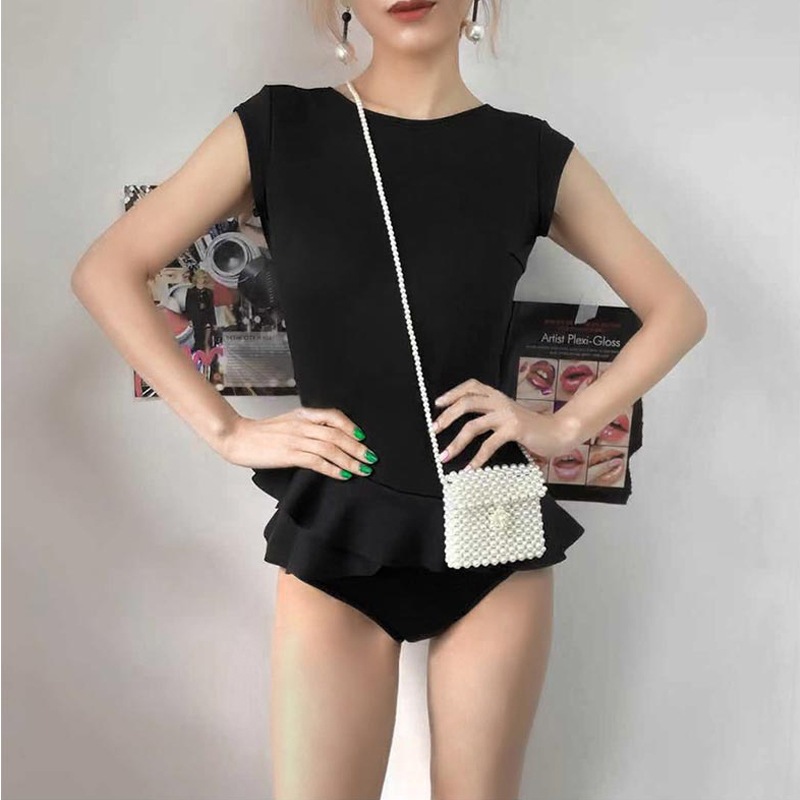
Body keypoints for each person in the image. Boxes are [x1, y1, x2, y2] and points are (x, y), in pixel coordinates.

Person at [70, 1, 708, 798]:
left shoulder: (531, 154)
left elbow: (677, 311)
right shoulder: (280, 126)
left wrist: (563, 425)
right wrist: (228, 432)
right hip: (338, 527)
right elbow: (107, 270)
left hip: (490, 528)